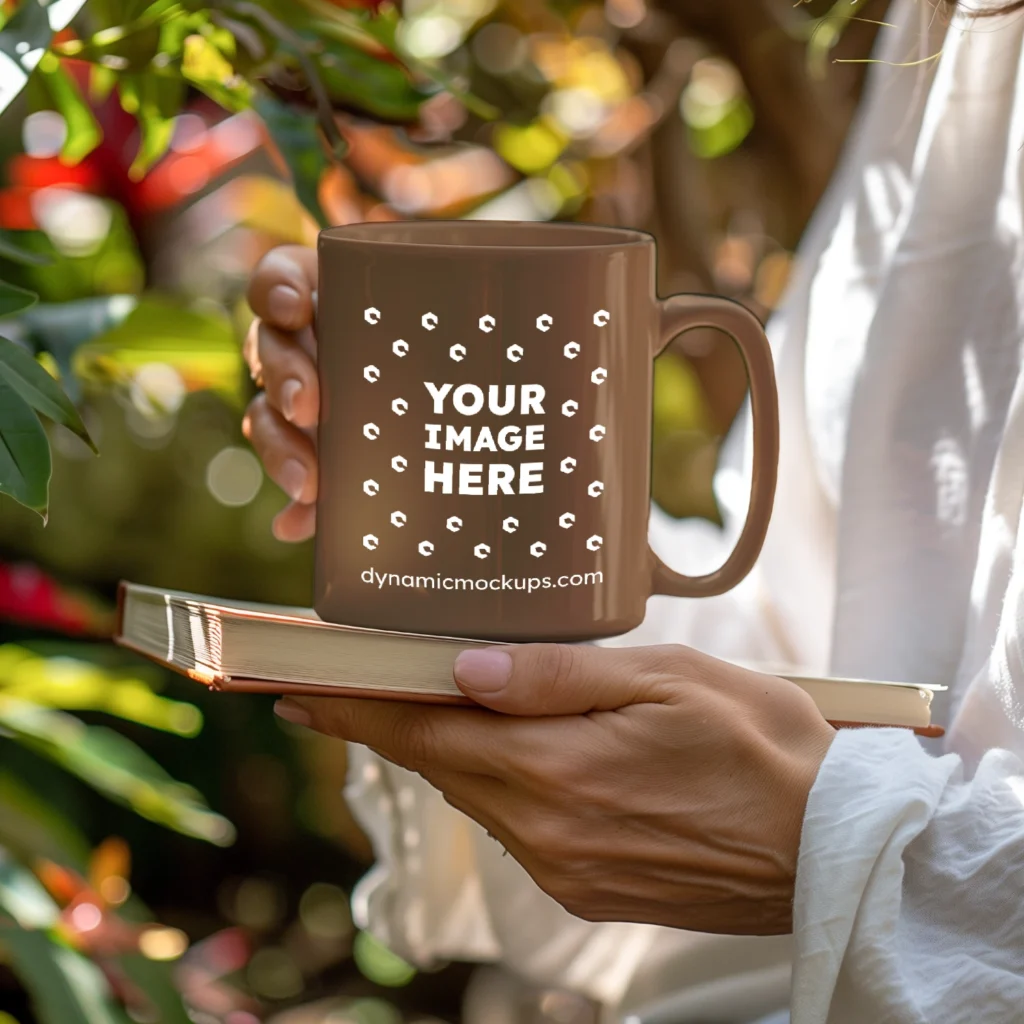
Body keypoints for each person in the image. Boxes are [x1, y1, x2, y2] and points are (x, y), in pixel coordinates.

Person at [241, 0, 1024, 1020]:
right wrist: (459, 512)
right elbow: (839, 653)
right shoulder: (953, 38)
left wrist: (842, 848)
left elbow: (862, 785)